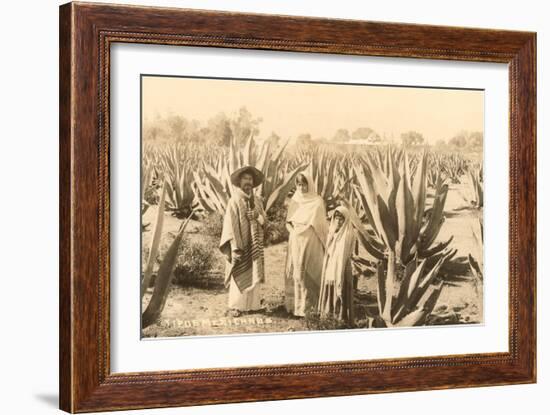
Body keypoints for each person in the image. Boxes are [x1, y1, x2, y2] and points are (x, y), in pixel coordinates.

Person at [219, 165, 267, 315]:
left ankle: (253, 306)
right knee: (240, 272)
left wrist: (257, 217)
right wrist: (235, 247)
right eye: (245, 179)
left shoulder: (258, 201)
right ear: (239, 182)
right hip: (240, 244)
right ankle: (237, 306)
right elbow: (230, 226)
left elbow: (265, 221)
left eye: (250, 179)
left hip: (255, 245)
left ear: (253, 182)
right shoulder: (234, 201)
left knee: (254, 272)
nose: (248, 182)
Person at [284, 173, 328, 317]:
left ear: (309, 184)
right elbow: (288, 222)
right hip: (296, 241)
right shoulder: (295, 200)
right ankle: (297, 308)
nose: (301, 187)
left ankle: (311, 308)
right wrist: (293, 233)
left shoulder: (317, 201)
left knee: (311, 272)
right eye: (298, 184)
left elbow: (321, 226)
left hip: (311, 241)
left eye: (304, 184)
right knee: (298, 273)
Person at [318, 206, 357, 324]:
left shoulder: (349, 233)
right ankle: (329, 316)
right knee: (330, 288)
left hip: (343, 267)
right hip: (331, 266)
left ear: (346, 220)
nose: (338, 221)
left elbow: (345, 254)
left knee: (341, 288)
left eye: (341, 219)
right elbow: (328, 250)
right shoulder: (332, 232)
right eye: (336, 218)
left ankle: (341, 318)